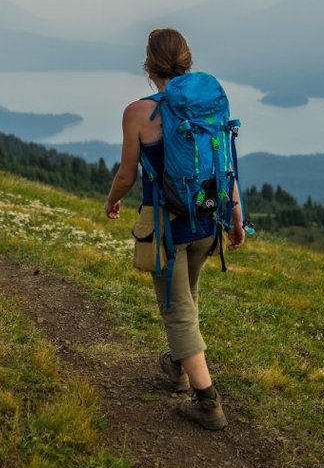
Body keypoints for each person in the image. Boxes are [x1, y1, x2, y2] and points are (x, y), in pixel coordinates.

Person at [104, 28, 245, 431]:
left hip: (166, 225)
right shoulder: (209, 105)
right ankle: (179, 367)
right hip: (206, 217)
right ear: (187, 60)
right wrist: (236, 217)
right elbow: (224, 165)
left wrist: (112, 200)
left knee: (176, 309)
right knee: (187, 297)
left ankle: (207, 401)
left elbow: (127, 174)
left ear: (149, 66)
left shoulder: (138, 113)